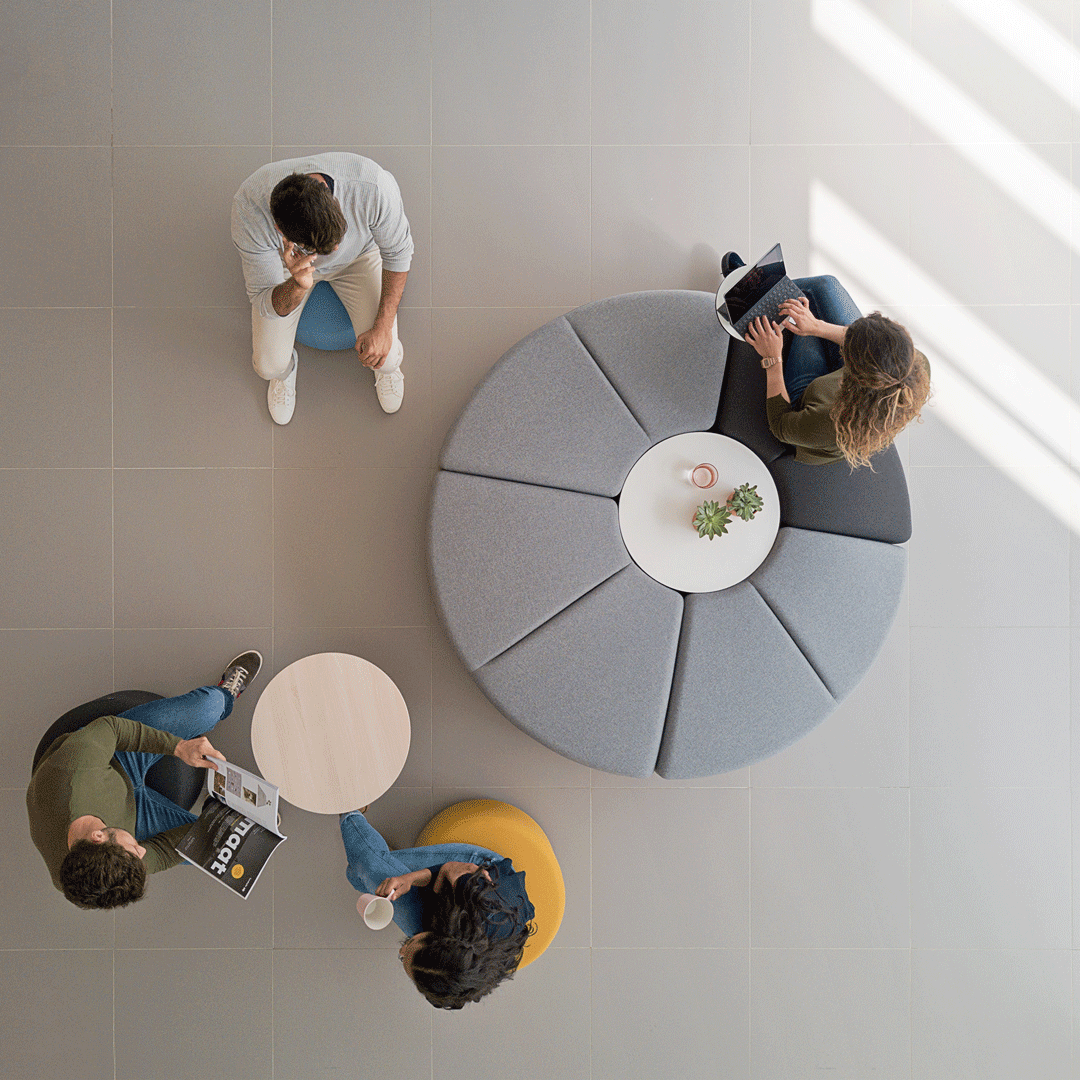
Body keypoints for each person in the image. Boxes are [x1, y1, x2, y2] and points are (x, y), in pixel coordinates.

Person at [26, 651, 262, 909]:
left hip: (115, 760)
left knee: (209, 708)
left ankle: (226, 694)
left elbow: (111, 729)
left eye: (134, 852)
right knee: (223, 847)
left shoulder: (76, 773)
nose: (142, 852)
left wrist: (178, 748)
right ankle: (225, 812)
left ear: (97, 837)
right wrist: (226, 828)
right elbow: (157, 854)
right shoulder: (92, 871)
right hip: (131, 819)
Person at [231, 152, 414, 425]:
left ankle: (387, 372)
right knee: (268, 366)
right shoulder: (249, 210)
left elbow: (399, 253)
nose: (334, 251)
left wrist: (383, 327)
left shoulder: (373, 186)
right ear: (281, 230)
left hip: (359, 257)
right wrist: (297, 285)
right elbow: (263, 301)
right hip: (288, 267)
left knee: (387, 358)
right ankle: (286, 371)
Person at [722, 253, 930, 467]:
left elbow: (780, 425)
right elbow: (850, 335)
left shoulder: (833, 423)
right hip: (848, 381)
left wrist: (772, 358)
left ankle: (750, 302)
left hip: (809, 398)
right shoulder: (913, 362)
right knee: (825, 286)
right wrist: (816, 326)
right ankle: (760, 296)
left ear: (850, 361)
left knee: (802, 304)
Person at [340, 809, 535, 1009]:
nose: (402, 947)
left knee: (359, 875)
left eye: (402, 956)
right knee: (368, 867)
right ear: (438, 936)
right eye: (410, 946)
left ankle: (383, 860)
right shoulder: (480, 900)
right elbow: (447, 870)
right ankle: (348, 809)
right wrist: (409, 879)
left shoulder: (465, 972)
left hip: (460, 918)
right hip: (477, 872)